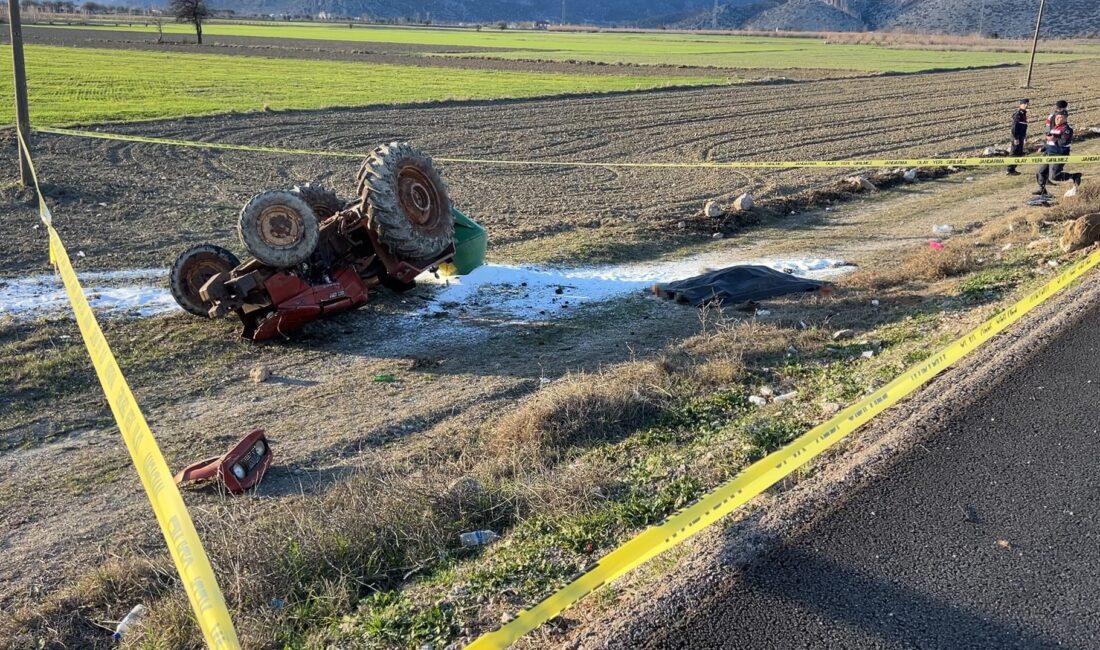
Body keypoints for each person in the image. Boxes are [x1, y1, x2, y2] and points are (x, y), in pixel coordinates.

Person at [1035, 113, 1082, 196]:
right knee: (1040, 171)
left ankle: (1074, 176)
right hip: (1048, 153)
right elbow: (1049, 141)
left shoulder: (1067, 129)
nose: (1057, 119)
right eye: (1056, 117)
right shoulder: (1054, 128)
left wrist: (1054, 139)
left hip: (1059, 154)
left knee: (1054, 176)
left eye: (1060, 117)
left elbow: (1063, 142)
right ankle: (1042, 190)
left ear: (1065, 118)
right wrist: (1043, 147)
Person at [1007, 99, 1029, 175]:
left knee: (1019, 153)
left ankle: (1013, 169)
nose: (1026, 105)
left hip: (1021, 136)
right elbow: (1014, 127)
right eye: (1024, 104)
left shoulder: (1023, 114)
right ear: (1020, 105)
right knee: (1014, 152)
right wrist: (1016, 138)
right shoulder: (1018, 114)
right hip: (1016, 137)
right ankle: (1009, 170)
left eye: (1027, 104)